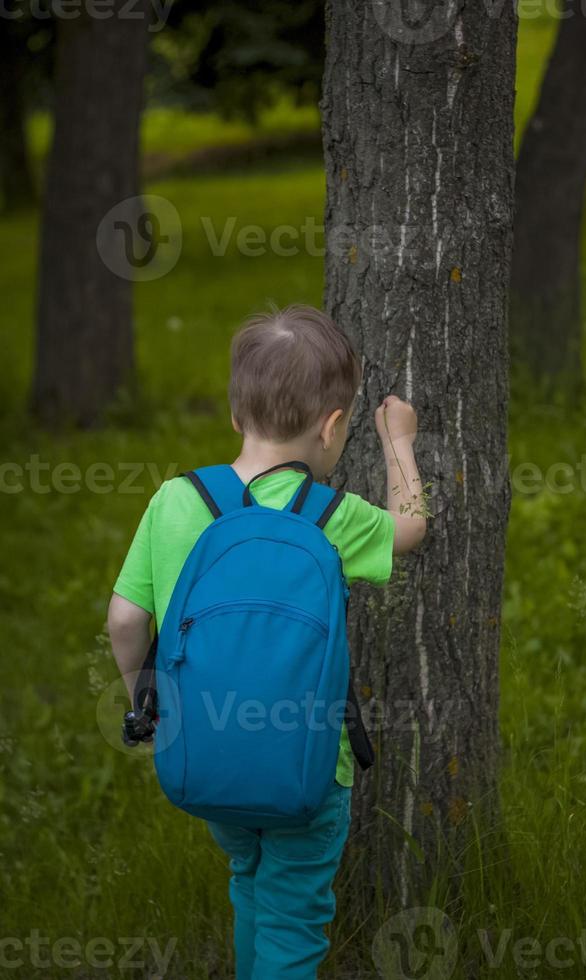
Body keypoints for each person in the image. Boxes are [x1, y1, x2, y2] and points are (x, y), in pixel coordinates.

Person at [108, 304, 426, 980]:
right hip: (308, 764)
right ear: (333, 425)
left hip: (204, 749)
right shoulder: (330, 515)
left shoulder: (174, 500)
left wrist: (144, 696)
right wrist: (398, 441)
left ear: (234, 415)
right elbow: (411, 529)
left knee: (247, 873)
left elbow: (126, 618)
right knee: (292, 915)